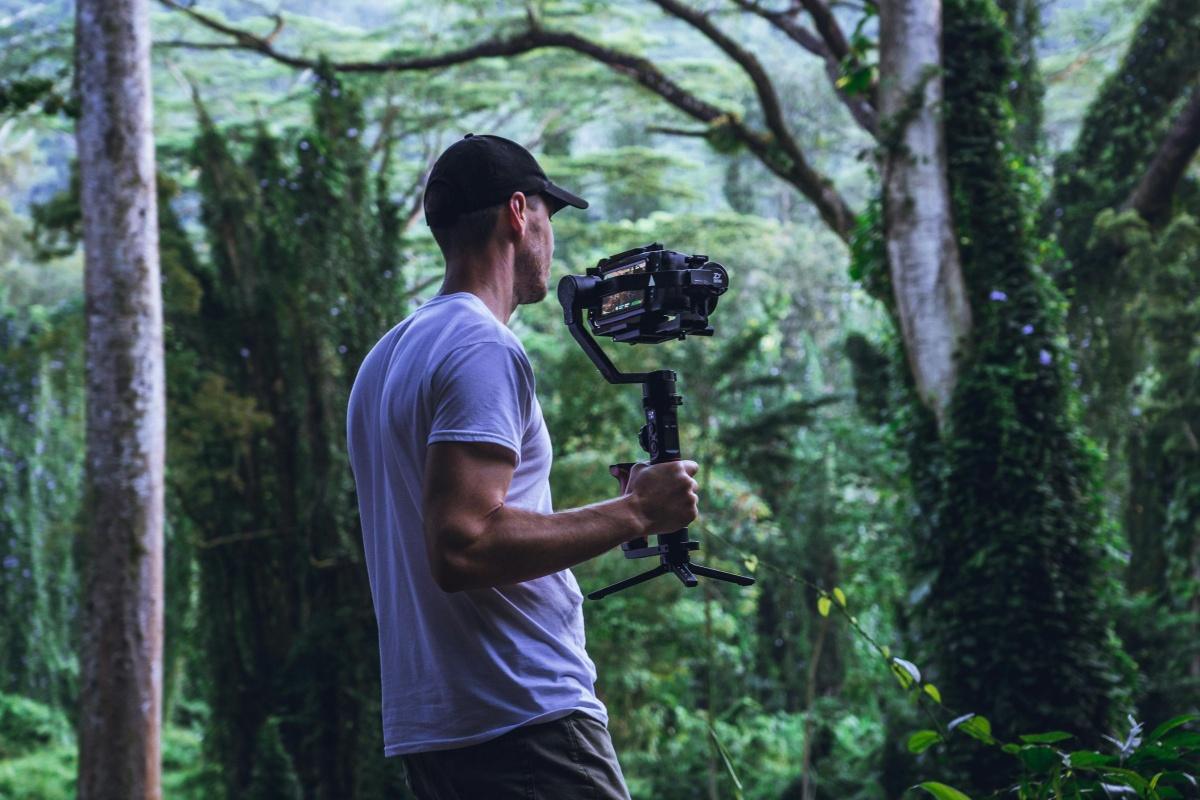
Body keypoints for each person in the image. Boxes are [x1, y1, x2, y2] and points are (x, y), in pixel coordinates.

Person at [346, 133, 701, 800]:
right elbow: (463, 547)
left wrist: (606, 519)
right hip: (524, 720)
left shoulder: (385, 359)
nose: (551, 238)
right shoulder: (483, 346)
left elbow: (463, 525)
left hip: (438, 732)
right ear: (518, 212)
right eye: (549, 215)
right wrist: (638, 510)